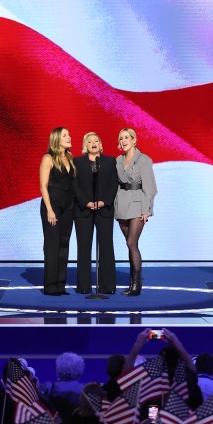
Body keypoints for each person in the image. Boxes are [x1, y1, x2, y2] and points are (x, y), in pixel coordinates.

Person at [73, 131, 119, 297]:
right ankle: (84, 286)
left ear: (101, 145)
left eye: (96, 141)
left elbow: (114, 184)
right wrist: (85, 202)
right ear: (85, 146)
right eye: (89, 141)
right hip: (83, 210)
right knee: (84, 248)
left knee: (106, 247)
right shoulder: (77, 162)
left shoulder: (109, 161)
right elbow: (75, 185)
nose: (93, 143)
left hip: (104, 210)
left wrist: (103, 202)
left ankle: (107, 286)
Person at [114, 128, 157, 297]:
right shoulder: (118, 160)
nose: (123, 141)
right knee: (130, 244)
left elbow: (150, 188)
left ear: (134, 140)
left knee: (132, 243)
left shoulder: (144, 160)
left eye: (126, 138)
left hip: (138, 205)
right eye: (121, 138)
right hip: (122, 204)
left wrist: (147, 209)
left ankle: (136, 285)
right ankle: (132, 282)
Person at [39, 127, 75, 296]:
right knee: (52, 245)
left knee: (64, 244)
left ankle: (60, 284)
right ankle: (50, 285)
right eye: (65, 136)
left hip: (68, 207)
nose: (69, 137)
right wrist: (49, 210)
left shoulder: (69, 157)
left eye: (68, 135)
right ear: (56, 139)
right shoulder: (48, 158)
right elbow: (43, 186)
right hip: (52, 206)